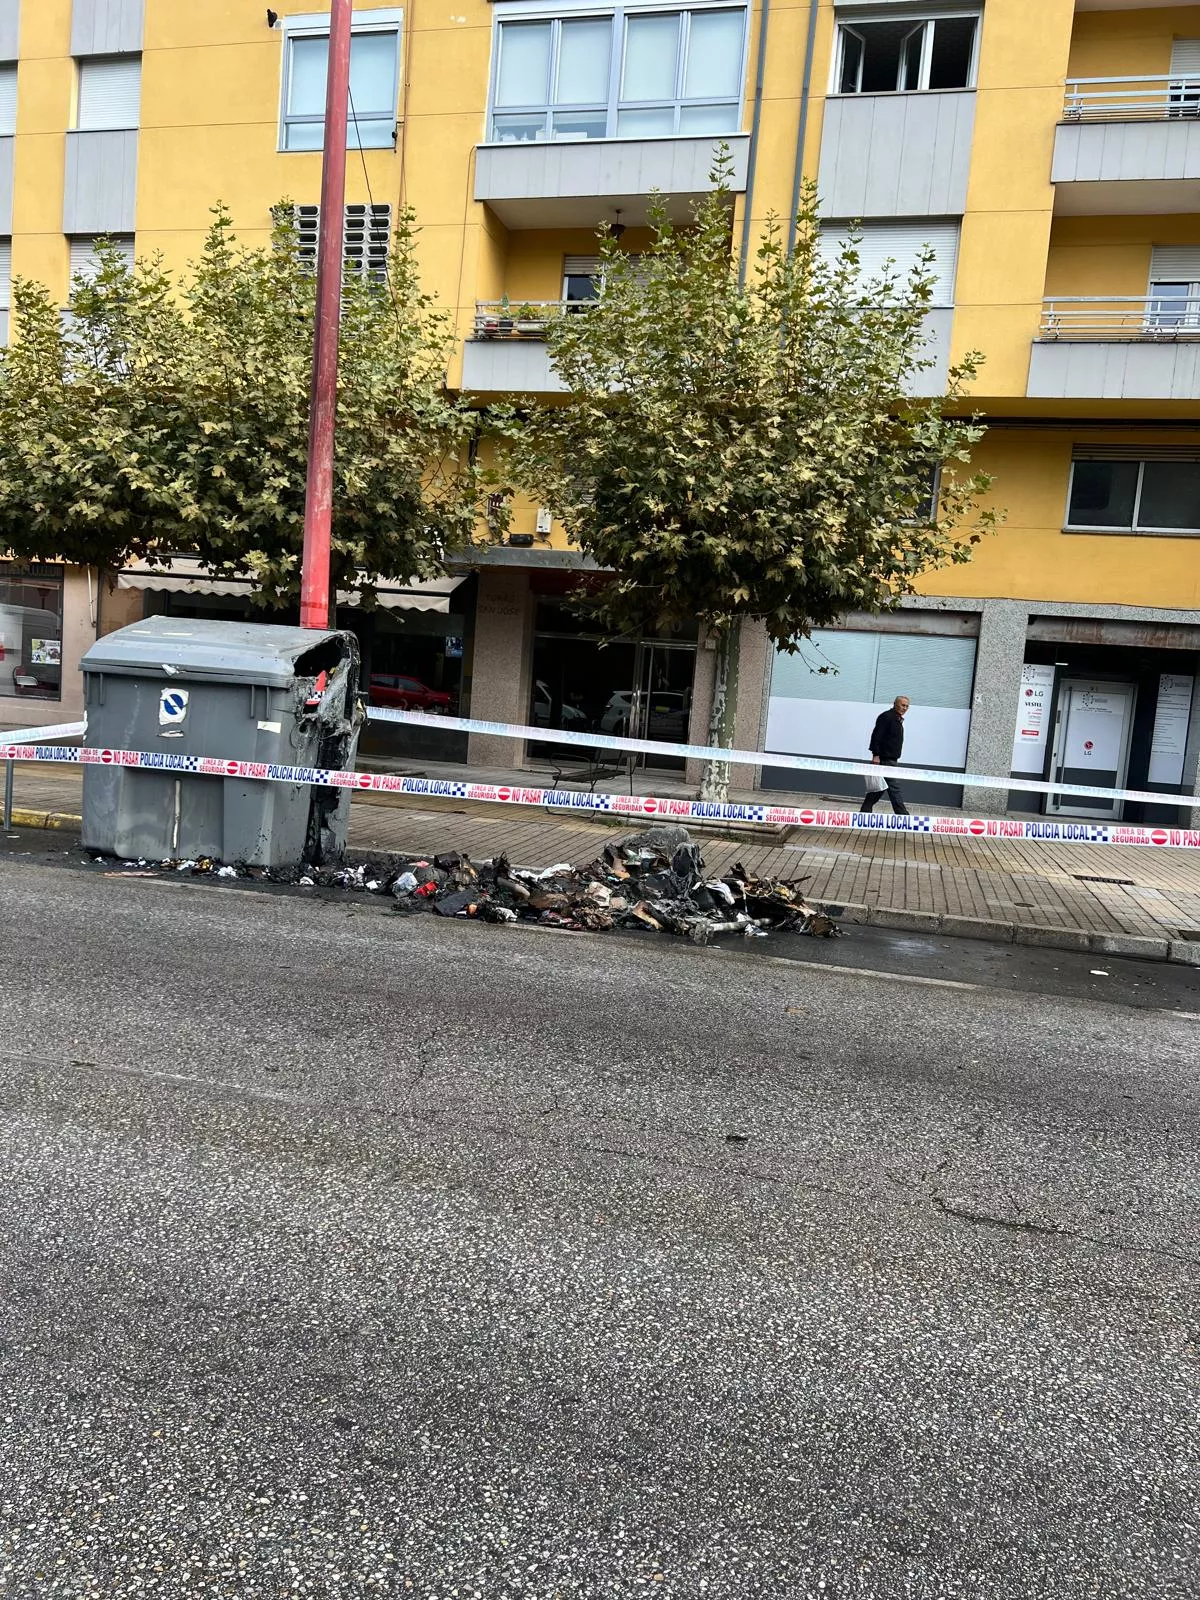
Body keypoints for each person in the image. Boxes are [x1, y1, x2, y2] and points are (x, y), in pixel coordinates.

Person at [860, 695, 910, 814]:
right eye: (903, 705)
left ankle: (865, 810)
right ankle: (903, 816)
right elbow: (876, 736)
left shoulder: (897, 719)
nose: (905, 708)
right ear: (895, 704)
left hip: (891, 758)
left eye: (907, 706)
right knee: (894, 788)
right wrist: (876, 755)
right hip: (884, 759)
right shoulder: (886, 717)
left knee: (879, 788)